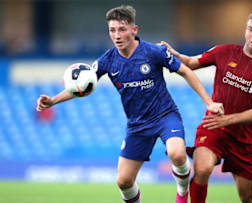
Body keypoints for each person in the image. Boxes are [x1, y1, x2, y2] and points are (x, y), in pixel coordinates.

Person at [36, 5, 223, 203]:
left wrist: (209, 102)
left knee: (177, 153)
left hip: (165, 115)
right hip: (137, 125)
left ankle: (182, 192)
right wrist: (53, 101)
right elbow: (81, 86)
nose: (117, 35)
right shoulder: (107, 61)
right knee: (123, 181)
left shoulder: (154, 52)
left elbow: (185, 71)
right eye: (112, 30)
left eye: (122, 29)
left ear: (134, 30)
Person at [161, 12, 252, 203]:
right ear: (245, 32)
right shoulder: (225, 51)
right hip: (213, 126)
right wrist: (174, 55)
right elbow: (191, 63)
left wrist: (228, 119)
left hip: (243, 139)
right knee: (202, 169)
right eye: (250, 29)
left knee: (248, 197)